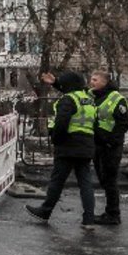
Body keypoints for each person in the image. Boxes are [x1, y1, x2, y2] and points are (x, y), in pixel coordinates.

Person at [26, 71, 97, 230]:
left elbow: (61, 123)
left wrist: (56, 140)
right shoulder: (88, 99)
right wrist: (56, 82)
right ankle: (89, 219)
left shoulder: (68, 100)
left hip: (68, 145)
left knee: (57, 181)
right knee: (86, 183)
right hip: (86, 145)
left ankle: (45, 211)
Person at [88, 70, 128, 225]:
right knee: (104, 179)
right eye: (91, 79)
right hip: (97, 144)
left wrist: (111, 142)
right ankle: (110, 211)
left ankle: (113, 214)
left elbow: (123, 125)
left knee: (110, 180)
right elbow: (74, 90)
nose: (92, 82)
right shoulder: (93, 95)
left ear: (105, 82)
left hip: (110, 146)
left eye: (95, 80)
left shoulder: (117, 99)